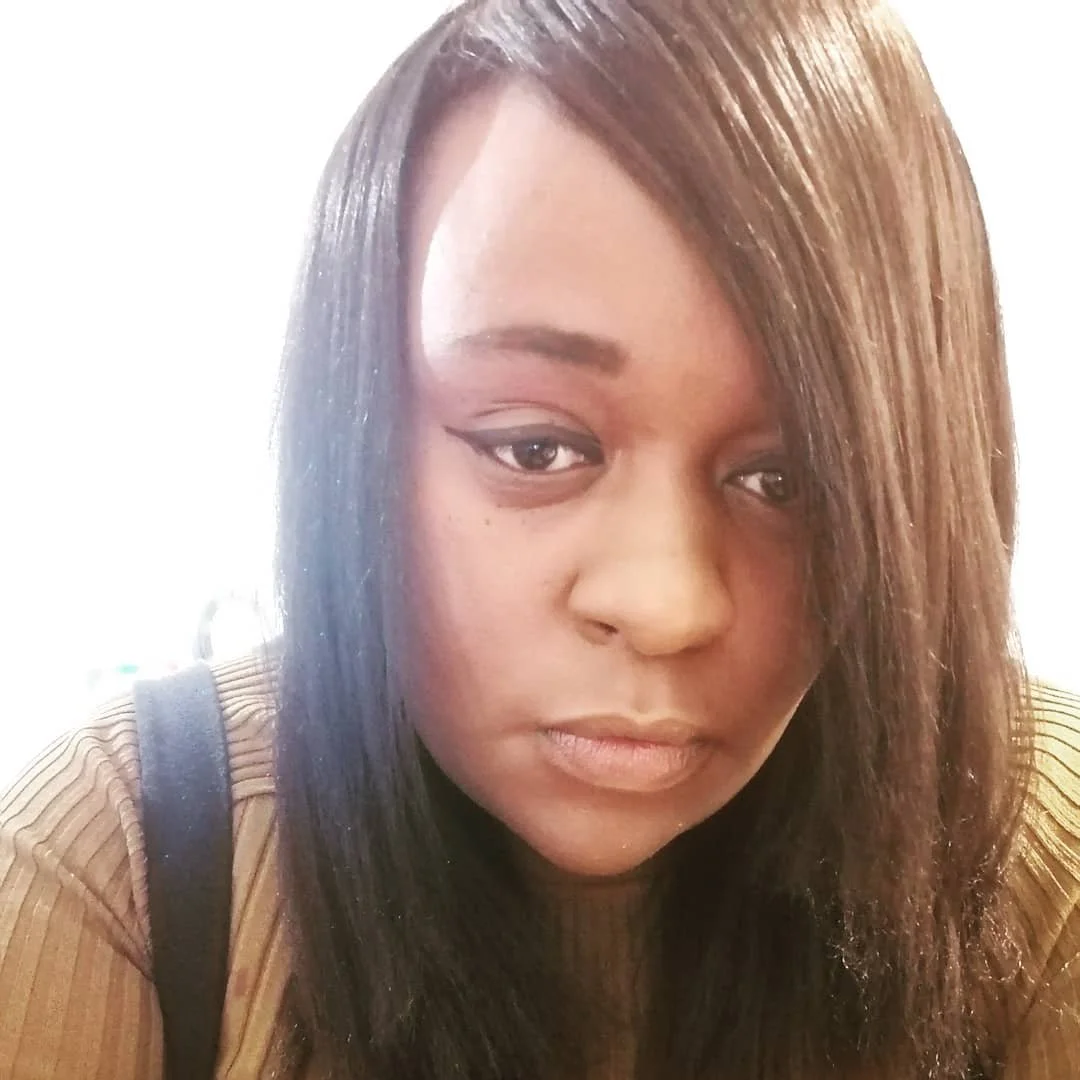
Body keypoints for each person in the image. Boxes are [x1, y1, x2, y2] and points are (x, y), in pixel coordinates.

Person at [2, 0, 1078, 1076]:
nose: (666, 604)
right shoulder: (127, 862)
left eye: (785, 480)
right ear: (354, 427)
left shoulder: (1041, 865)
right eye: (534, 448)